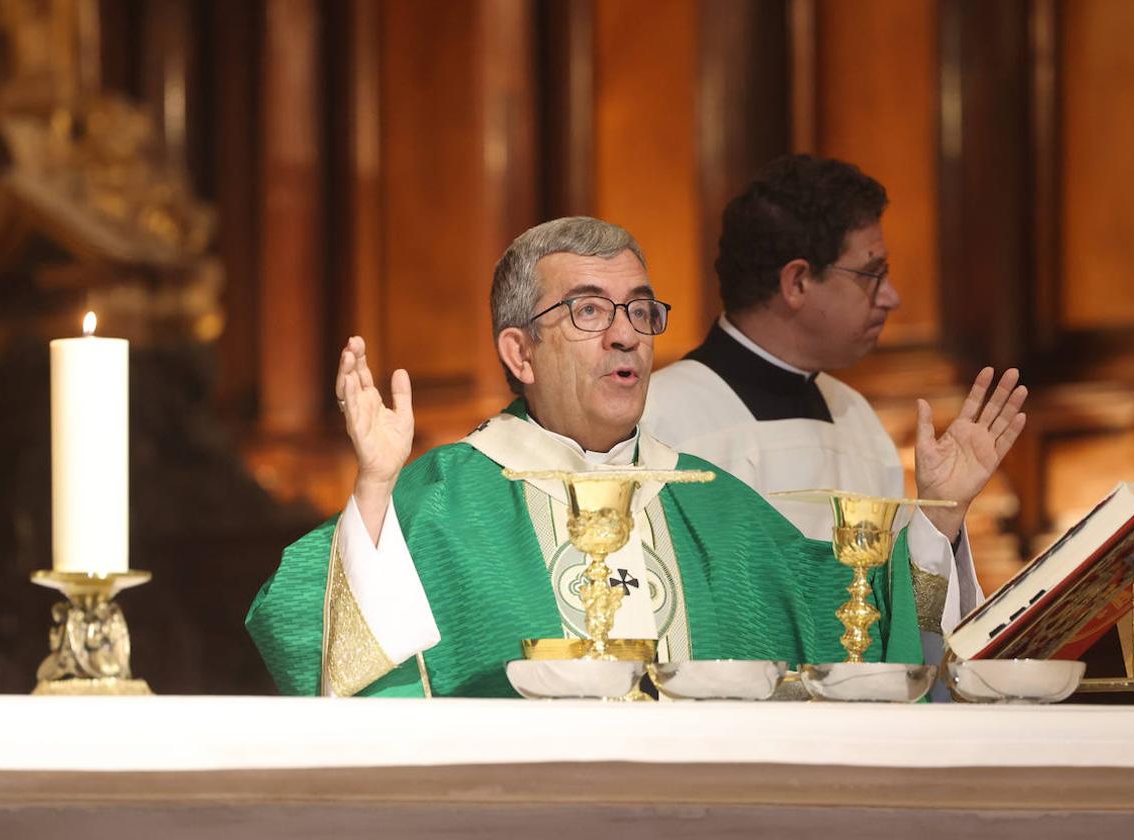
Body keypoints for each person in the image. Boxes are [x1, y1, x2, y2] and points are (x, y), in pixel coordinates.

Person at [246, 216, 1025, 698]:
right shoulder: (447, 498)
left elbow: (859, 635)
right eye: (589, 310)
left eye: (641, 311)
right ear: (519, 351)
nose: (627, 335)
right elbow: (302, 620)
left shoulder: (711, 503)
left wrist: (941, 517)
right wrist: (376, 486)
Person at [642, 154, 1027, 661]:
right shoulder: (660, 421)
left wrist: (943, 516)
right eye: (872, 273)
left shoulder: (856, 417)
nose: (892, 297)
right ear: (797, 282)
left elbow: (900, 635)